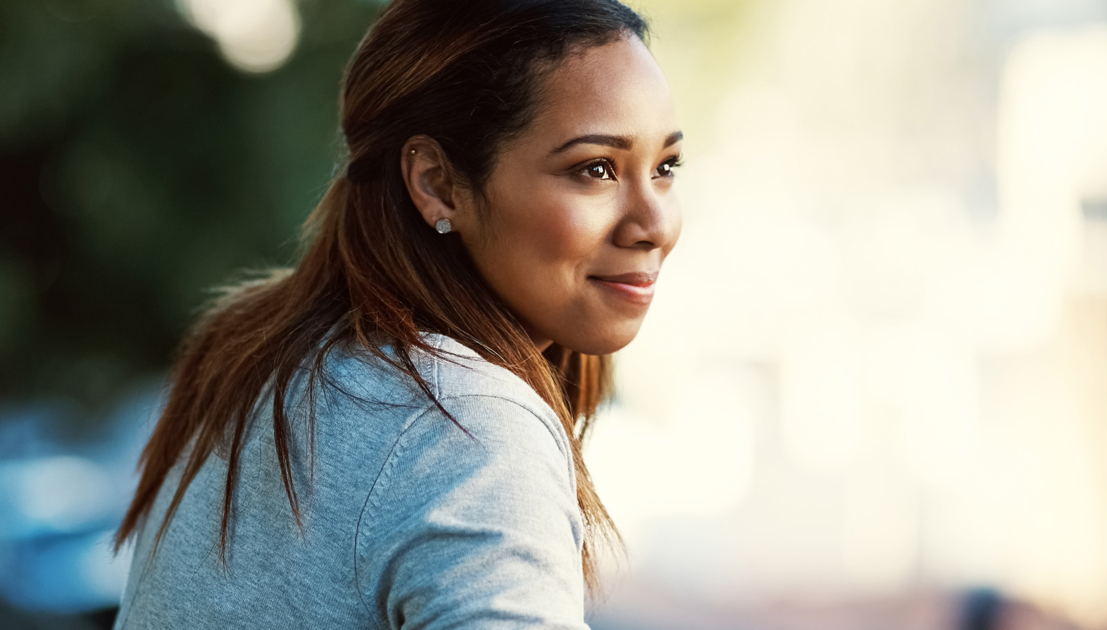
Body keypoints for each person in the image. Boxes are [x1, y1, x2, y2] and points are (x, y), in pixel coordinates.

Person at [110, 0, 682, 627]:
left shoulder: (260, 358)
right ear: (436, 183)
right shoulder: (465, 426)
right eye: (594, 169)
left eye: (664, 168)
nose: (656, 224)